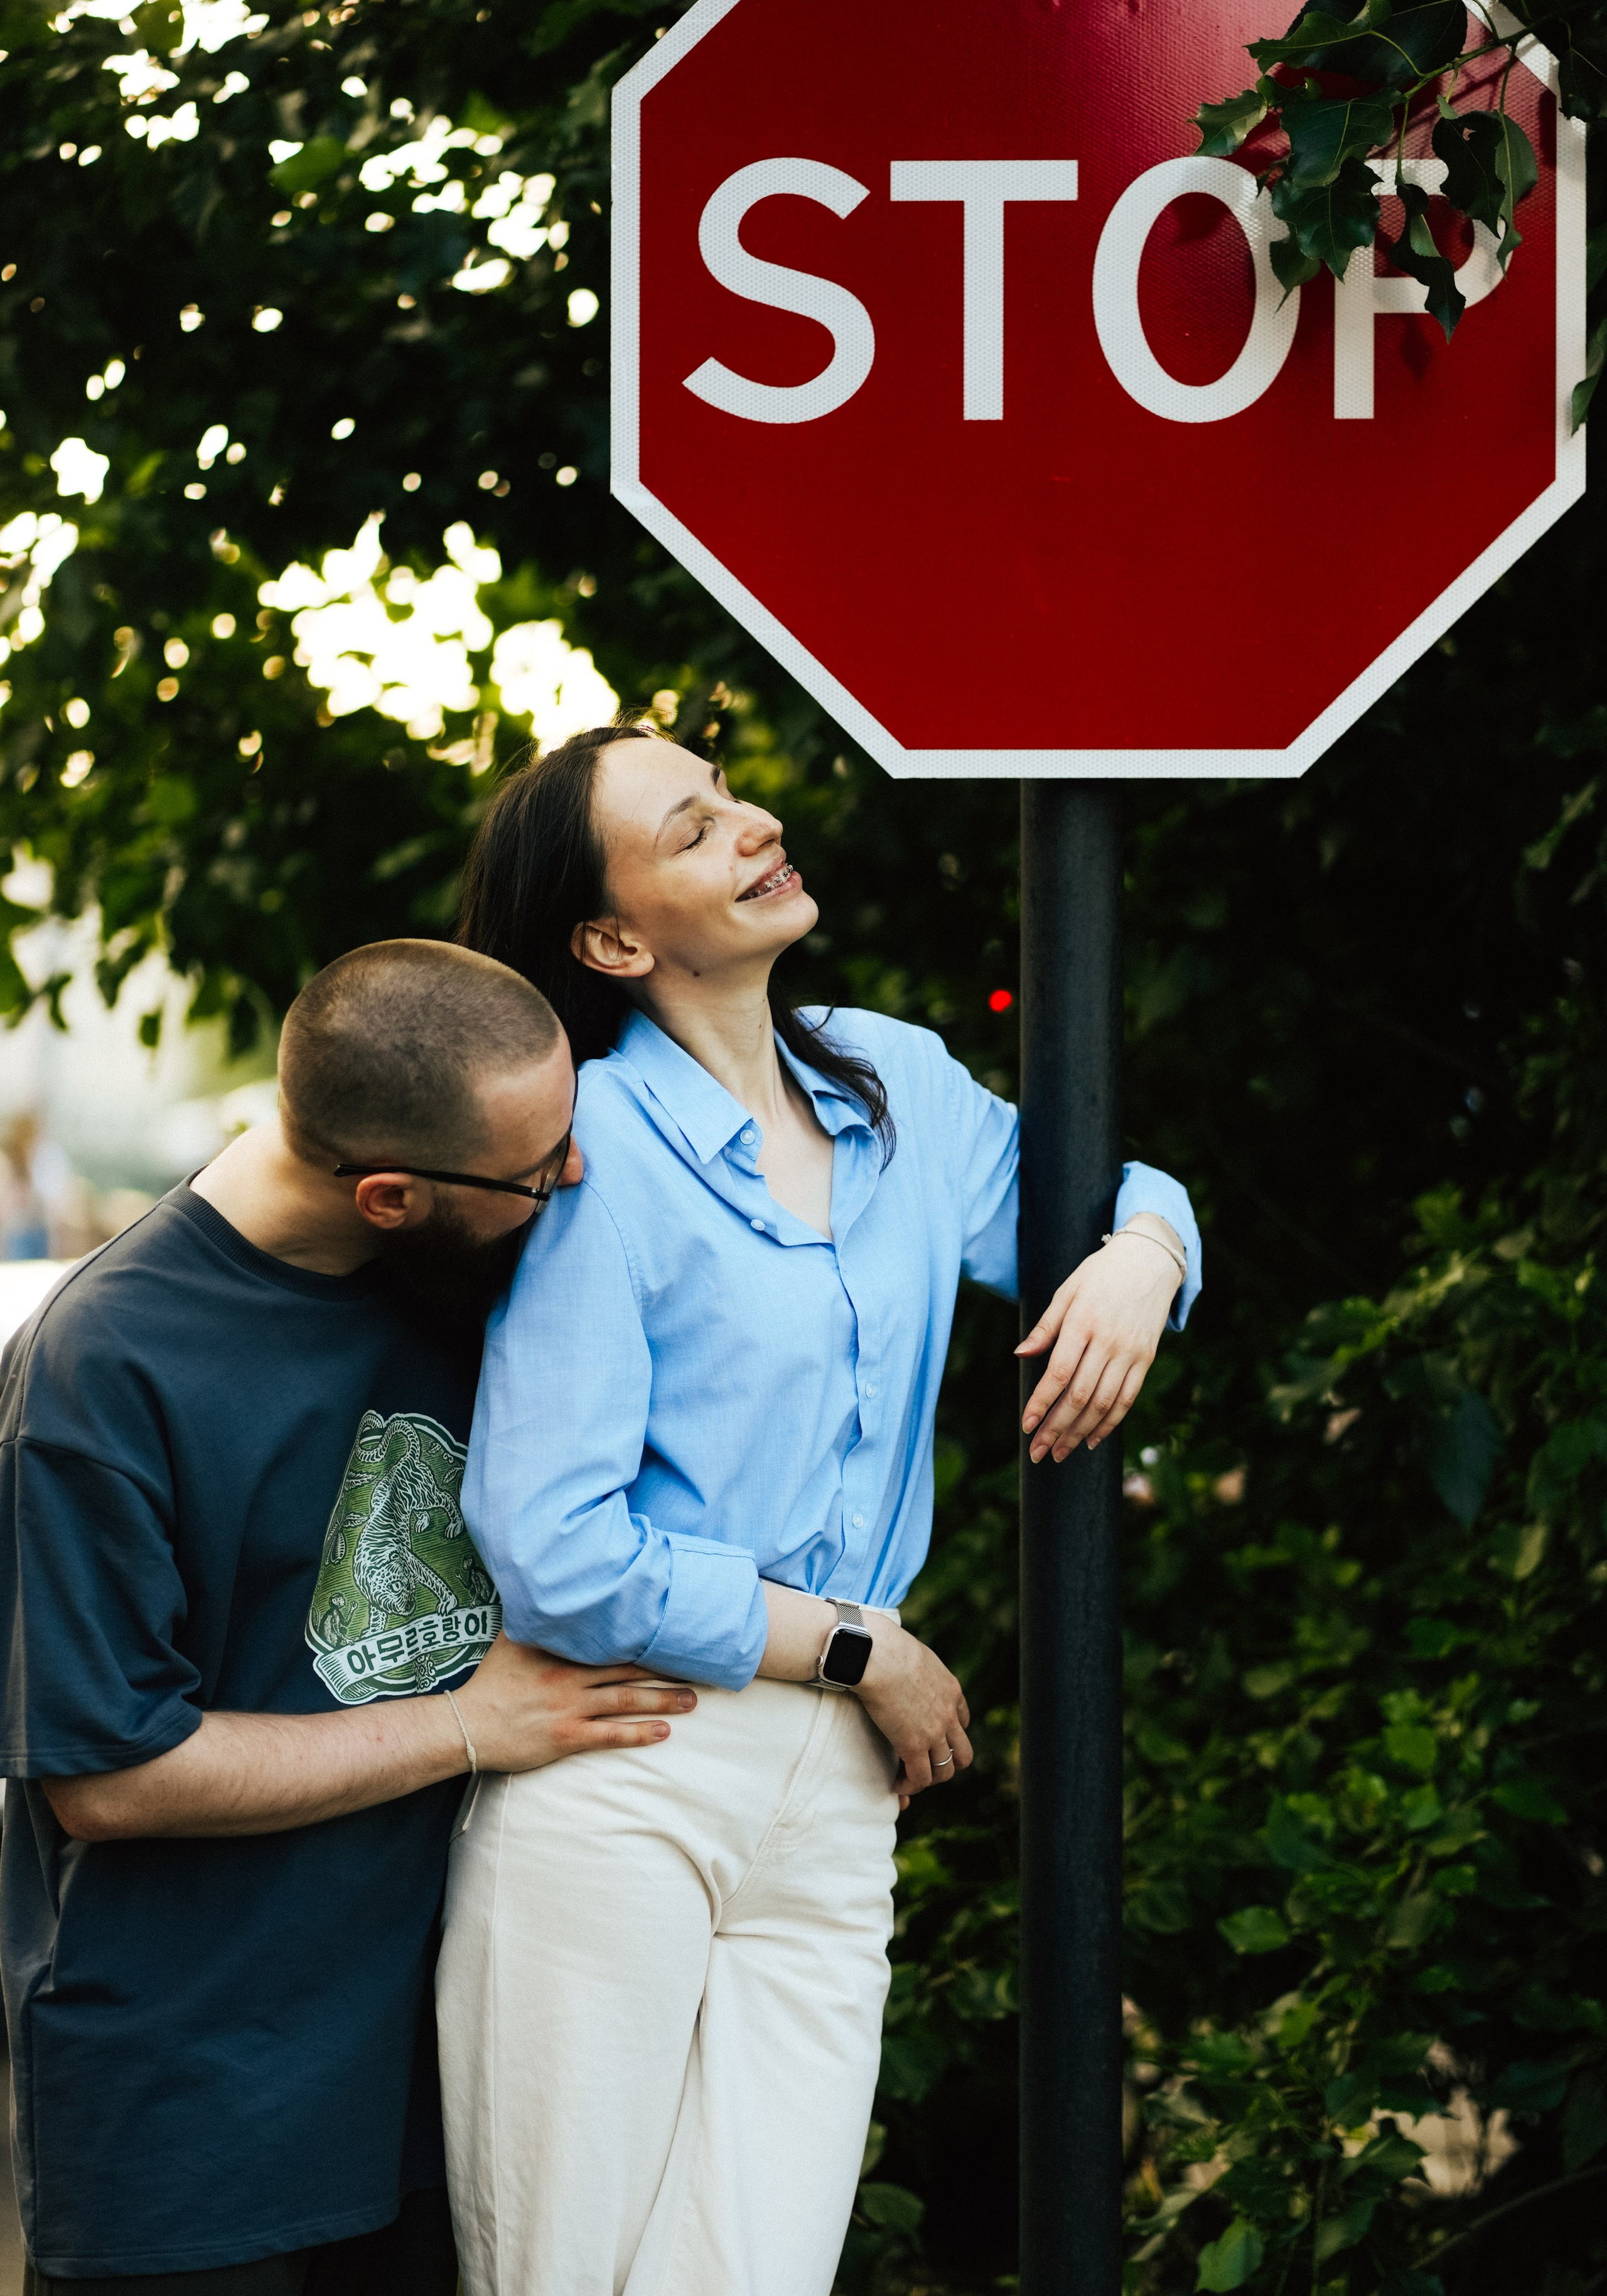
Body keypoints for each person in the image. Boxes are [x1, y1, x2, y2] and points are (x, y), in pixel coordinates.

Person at [439, 723, 1202, 2296]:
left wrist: (1147, 1256)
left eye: (731, 799)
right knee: (563, 2278)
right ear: (610, 937)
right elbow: (553, 1544)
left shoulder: (894, 1082)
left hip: (837, 1803)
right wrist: (862, 1649)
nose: (751, 826)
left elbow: (1100, 1193)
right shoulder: (590, 1153)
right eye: (690, 828)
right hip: (630, 1764)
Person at [0, 939, 691, 2296]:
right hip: (195, 2138)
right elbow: (111, 1778)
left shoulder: (469, 1283)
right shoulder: (97, 1373)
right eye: (540, 1169)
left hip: (445, 2100)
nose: (576, 1181)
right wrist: (472, 1726)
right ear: (388, 1194)